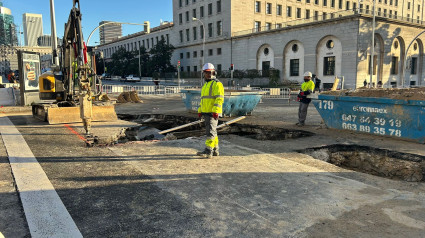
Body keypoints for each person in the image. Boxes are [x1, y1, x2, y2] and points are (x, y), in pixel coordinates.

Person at [196, 63, 224, 158]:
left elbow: (219, 99)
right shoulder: (205, 85)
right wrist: (200, 111)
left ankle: (208, 151)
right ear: (203, 73)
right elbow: (203, 100)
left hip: (212, 112)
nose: (208, 74)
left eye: (210, 72)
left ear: (214, 72)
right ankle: (215, 150)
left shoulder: (217, 84)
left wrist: (215, 111)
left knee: (210, 132)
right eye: (206, 72)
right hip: (206, 111)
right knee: (213, 131)